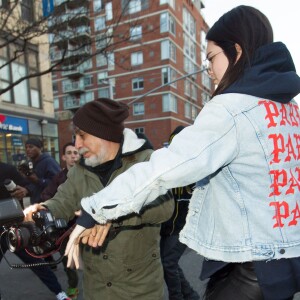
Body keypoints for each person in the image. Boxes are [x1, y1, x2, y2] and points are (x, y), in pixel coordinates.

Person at [65, 6, 300, 300]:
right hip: (285, 265)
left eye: (212, 57)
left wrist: (94, 208)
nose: (209, 69)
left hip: (251, 270)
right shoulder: (288, 111)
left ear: (236, 51)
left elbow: (163, 170)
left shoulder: (231, 108)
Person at [25, 98, 174, 300]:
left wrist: (112, 215)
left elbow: (165, 206)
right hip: (97, 290)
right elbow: (62, 201)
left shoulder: (145, 161)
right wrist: (42, 211)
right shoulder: (80, 170)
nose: (77, 145)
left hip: (139, 290)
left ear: (104, 134)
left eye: (82, 136)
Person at [0, 162, 71, 300]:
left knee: (37, 263)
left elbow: (30, 186)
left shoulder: (7, 169)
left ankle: (59, 293)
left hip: (15, 228)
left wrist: (25, 190)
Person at [160, 126, 199, 300]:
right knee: (169, 263)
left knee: (168, 262)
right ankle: (191, 296)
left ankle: (177, 297)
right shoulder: (167, 165)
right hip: (168, 227)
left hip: (184, 227)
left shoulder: (196, 166)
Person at [41, 142, 80, 300]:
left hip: (87, 226)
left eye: (76, 153)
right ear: (64, 157)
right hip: (66, 229)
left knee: (94, 259)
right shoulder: (58, 178)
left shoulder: (88, 176)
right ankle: (73, 289)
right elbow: (46, 196)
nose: (73, 156)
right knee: (68, 262)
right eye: (69, 153)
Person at [18, 138, 61, 205]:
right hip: (37, 203)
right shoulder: (31, 163)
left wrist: (38, 180)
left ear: (40, 148)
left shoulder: (49, 161)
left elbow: (58, 182)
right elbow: (35, 185)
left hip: (50, 204)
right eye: (26, 147)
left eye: (31, 147)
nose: (28, 149)